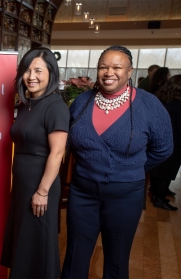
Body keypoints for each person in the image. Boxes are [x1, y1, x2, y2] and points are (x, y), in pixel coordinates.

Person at [61, 45, 173, 279]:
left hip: (125, 195)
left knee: (117, 259)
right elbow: (68, 142)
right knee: (74, 256)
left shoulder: (149, 105)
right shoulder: (82, 102)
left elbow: (163, 148)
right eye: (103, 67)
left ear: (129, 71)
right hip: (82, 192)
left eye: (116, 67)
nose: (108, 72)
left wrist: (131, 169)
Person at [0, 47, 69, 278]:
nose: (31, 76)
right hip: (21, 185)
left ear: (51, 73)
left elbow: (57, 153)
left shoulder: (55, 106)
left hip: (41, 185)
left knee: (38, 243)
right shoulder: (26, 104)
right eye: (27, 70)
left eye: (38, 70)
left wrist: (42, 191)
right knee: (24, 240)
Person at [149, 74, 181, 210]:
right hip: (175, 143)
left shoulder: (162, 102)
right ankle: (159, 198)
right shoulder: (178, 106)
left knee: (159, 170)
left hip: (160, 142)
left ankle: (157, 191)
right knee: (167, 172)